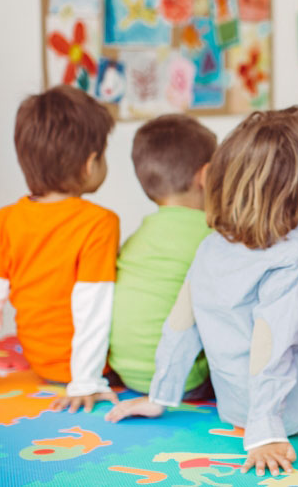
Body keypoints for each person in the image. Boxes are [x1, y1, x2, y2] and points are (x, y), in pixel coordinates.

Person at [105, 107, 298, 478]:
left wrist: (161, 394)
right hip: (291, 413)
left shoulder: (214, 243)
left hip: (233, 406)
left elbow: (182, 321)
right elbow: (272, 342)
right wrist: (264, 430)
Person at [0, 85, 119, 413]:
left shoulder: (7, 220)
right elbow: (92, 306)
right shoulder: (99, 222)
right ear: (90, 164)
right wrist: (84, 381)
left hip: (39, 362)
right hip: (88, 369)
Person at [107, 114, 217, 398]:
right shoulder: (212, 235)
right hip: (185, 380)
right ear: (205, 176)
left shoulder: (138, 237)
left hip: (126, 371)